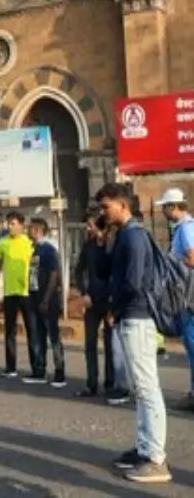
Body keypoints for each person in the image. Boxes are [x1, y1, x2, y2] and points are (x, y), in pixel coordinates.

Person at [98, 183, 170, 483]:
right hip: (131, 317)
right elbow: (108, 273)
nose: (103, 212)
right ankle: (144, 449)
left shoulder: (135, 236)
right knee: (141, 388)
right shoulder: (123, 235)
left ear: (123, 205)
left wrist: (114, 308)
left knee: (148, 388)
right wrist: (102, 240)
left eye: (106, 207)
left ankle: (156, 459)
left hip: (137, 317)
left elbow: (133, 282)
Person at [154, 188, 194, 411]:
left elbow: (192, 259)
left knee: (192, 342)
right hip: (187, 293)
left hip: (187, 294)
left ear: (174, 207)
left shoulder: (186, 229)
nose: (163, 211)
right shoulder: (186, 227)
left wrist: (174, 264)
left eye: (165, 207)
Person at [0, 213, 41, 381]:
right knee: (10, 331)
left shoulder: (29, 243)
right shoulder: (2, 243)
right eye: (9, 224)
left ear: (21, 225)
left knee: (32, 331)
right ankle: (10, 367)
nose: (10, 227)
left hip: (26, 292)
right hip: (9, 292)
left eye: (13, 224)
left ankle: (37, 368)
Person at [75, 210, 117, 400]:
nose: (88, 228)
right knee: (90, 344)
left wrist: (113, 301)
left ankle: (111, 384)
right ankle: (91, 384)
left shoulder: (112, 246)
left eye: (91, 225)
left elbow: (116, 274)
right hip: (91, 301)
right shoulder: (88, 245)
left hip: (108, 301)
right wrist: (83, 293)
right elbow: (78, 271)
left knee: (110, 345)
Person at [29, 218, 65, 387]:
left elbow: (54, 274)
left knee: (53, 335)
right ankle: (39, 371)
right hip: (35, 297)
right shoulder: (34, 249)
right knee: (38, 336)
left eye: (31, 228)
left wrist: (46, 299)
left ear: (38, 230)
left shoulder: (48, 249)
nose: (29, 231)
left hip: (48, 299)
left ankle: (59, 372)